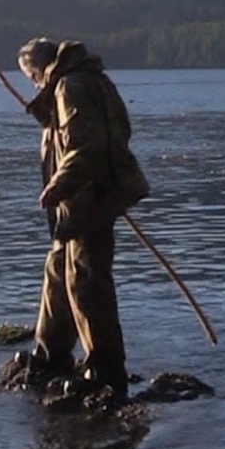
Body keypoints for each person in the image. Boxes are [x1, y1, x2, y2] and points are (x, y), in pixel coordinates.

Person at [15, 37, 150, 399]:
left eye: (32, 78)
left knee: (88, 282)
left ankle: (105, 369)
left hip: (90, 198)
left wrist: (59, 185)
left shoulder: (71, 87)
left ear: (41, 68)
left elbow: (86, 146)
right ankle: (51, 355)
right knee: (59, 272)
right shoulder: (90, 81)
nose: (34, 85)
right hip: (86, 198)